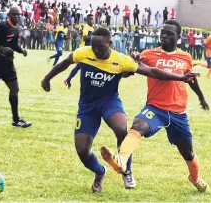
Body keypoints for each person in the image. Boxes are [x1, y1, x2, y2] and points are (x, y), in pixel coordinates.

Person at [41, 27, 198, 193]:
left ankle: (126, 171)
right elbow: (64, 63)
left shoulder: (121, 60)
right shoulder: (83, 53)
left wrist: (180, 77)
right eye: (93, 47)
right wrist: (47, 79)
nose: (96, 51)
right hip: (87, 107)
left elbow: (151, 71)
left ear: (110, 44)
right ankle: (100, 172)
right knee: (82, 150)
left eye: (100, 48)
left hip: (110, 102)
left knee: (122, 129)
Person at [100, 20, 210, 192]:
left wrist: (202, 98)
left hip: (178, 113)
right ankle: (121, 160)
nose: (163, 35)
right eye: (162, 32)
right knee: (138, 125)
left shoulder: (185, 57)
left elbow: (191, 79)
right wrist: (132, 63)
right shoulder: (148, 54)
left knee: (188, 153)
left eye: (169, 34)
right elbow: (128, 72)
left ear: (178, 37)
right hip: (155, 108)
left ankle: (194, 178)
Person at [64, 14, 94, 88]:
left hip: (88, 51)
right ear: (87, 20)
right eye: (90, 19)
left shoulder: (91, 28)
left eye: (92, 19)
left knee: (80, 67)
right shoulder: (87, 27)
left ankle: (68, 80)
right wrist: (93, 36)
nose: (92, 20)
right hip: (84, 50)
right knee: (82, 67)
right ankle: (68, 80)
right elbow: (85, 38)